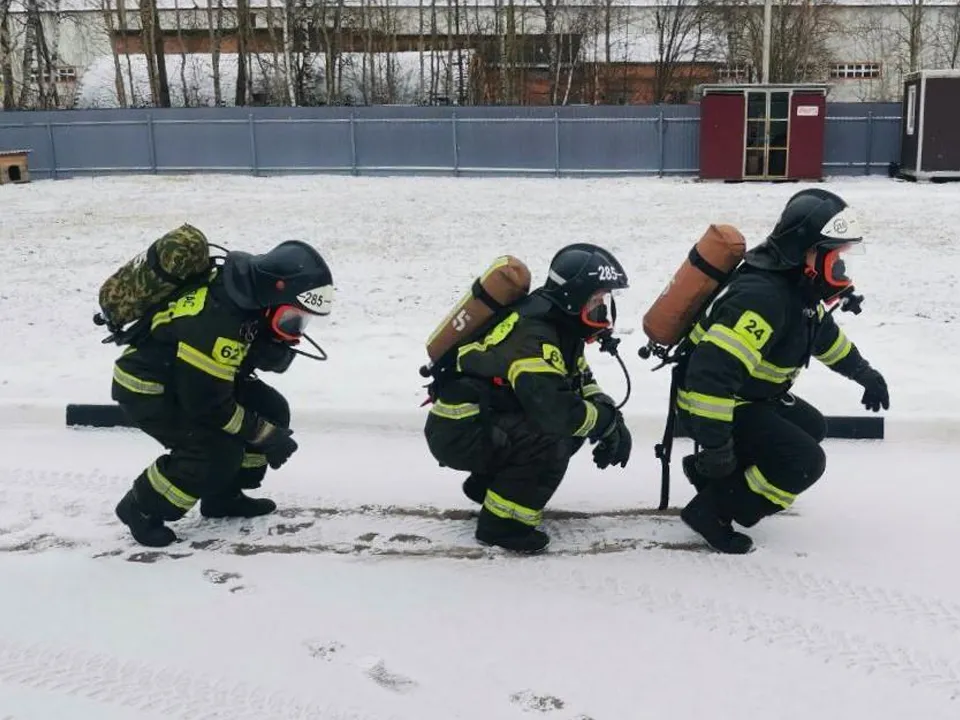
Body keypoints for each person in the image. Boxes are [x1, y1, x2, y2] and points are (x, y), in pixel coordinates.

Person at [677, 188, 889, 554]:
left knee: (812, 426)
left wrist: (866, 375)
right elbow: (710, 377)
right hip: (710, 401)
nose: (839, 269)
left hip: (749, 396)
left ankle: (711, 477)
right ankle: (712, 511)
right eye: (834, 257)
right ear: (804, 251)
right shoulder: (763, 299)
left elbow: (824, 339)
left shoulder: (798, 288)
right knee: (804, 462)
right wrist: (716, 446)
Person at [112, 238, 335, 548]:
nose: (296, 329)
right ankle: (142, 507)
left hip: (193, 378)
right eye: (291, 318)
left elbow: (233, 356)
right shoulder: (217, 322)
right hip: (151, 388)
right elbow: (210, 407)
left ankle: (223, 498)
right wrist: (266, 437)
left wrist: (266, 346)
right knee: (213, 452)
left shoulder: (244, 296)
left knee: (271, 409)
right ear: (271, 296)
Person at [424, 243, 634, 554]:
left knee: (566, 429)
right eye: (596, 301)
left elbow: (579, 378)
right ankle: (503, 525)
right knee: (555, 437)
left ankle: (489, 485)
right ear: (574, 298)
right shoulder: (535, 335)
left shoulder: (558, 324)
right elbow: (558, 412)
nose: (602, 311)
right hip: (460, 431)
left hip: (480, 421)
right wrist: (603, 424)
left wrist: (610, 416)